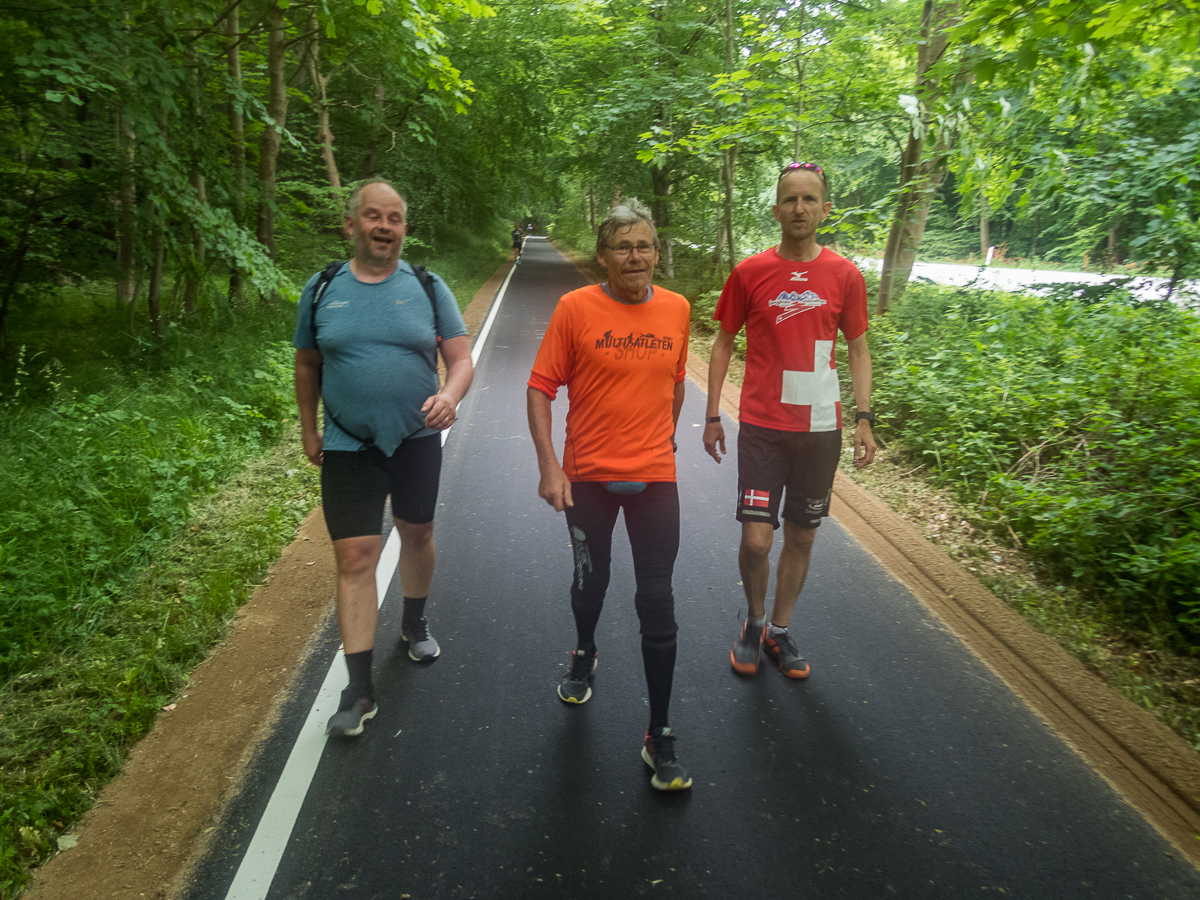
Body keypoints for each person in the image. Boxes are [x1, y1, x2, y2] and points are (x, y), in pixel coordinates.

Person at [294, 179, 474, 737]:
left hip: (417, 439)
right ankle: (358, 689)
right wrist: (308, 430)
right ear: (351, 225)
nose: (383, 226)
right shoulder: (323, 288)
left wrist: (449, 395)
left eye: (393, 218)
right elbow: (306, 365)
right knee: (355, 558)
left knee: (416, 533)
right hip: (348, 444)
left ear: (403, 228)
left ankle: (414, 622)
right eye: (372, 216)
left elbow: (461, 358)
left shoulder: (427, 285)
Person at [527, 199, 693, 791]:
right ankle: (584, 648)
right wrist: (551, 466)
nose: (635, 256)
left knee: (657, 600)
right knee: (590, 584)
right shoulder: (575, 309)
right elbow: (541, 387)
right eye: (623, 246)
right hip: (588, 479)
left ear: (655, 253)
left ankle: (660, 733)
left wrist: (662, 442)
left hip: (656, 480)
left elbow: (675, 385)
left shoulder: (677, 309)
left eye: (644, 245)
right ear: (604, 256)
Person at [703, 161, 876, 680]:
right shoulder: (750, 272)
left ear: (825, 209)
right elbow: (722, 342)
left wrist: (864, 418)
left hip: (821, 428)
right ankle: (753, 623)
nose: (799, 208)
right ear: (776, 209)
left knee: (802, 536)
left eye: (809, 200)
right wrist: (712, 414)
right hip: (762, 426)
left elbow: (859, 350)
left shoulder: (845, 275)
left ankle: (778, 631)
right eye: (790, 200)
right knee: (757, 539)